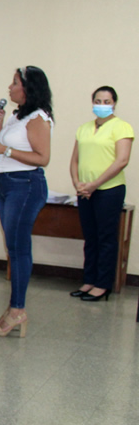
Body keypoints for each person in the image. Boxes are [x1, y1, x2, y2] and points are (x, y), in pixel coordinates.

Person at [0, 66, 53, 337]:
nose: (9, 88)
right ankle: (14, 307)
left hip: (26, 185)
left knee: (19, 248)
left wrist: (5, 150)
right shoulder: (16, 115)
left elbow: (42, 158)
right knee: (13, 246)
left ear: (28, 88)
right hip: (9, 183)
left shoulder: (38, 118)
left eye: (14, 83)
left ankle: (18, 309)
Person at [69, 86, 133, 302]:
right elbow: (75, 160)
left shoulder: (122, 127)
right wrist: (78, 184)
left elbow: (122, 160)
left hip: (109, 190)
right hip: (85, 191)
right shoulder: (84, 128)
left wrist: (95, 184)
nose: (102, 105)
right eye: (98, 100)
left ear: (114, 103)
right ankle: (89, 280)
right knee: (90, 237)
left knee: (106, 237)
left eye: (107, 101)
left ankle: (102, 285)